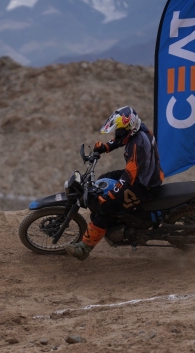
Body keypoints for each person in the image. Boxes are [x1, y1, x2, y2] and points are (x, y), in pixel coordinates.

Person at [64, 106, 164, 261]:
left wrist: (111, 195)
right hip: (145, 175)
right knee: (105, 177)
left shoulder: (138, 145)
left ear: (130, 128)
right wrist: (105, 147)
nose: (118, 133)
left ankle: (83, 249)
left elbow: (128, 177)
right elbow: (121, 139)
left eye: (120, 130)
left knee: (106, 206)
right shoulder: (139, 130)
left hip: (144, 185)